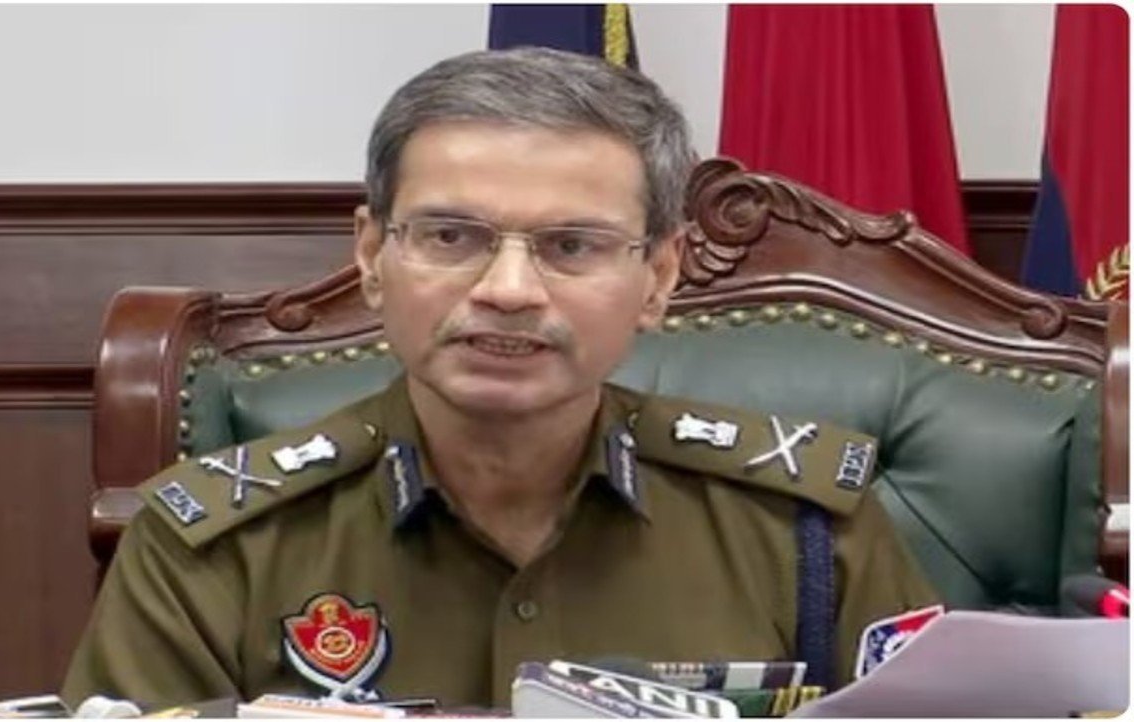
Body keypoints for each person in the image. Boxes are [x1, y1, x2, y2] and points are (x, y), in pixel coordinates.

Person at [61, 46, 938, 711]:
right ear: (370, 256)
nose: (509, 291)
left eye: (572, 245)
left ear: (660, 277)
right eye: (452, 237)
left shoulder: (804, 529)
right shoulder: (214, 543)